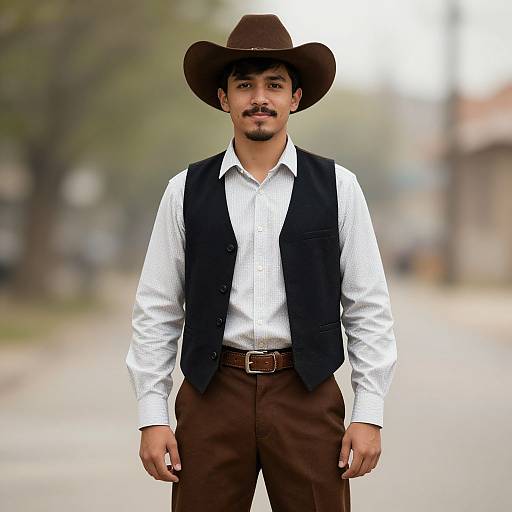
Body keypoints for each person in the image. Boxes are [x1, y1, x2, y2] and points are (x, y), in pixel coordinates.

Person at [126, 13, 398, 512]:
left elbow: (367, 306)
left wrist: (369, 412)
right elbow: (157, 307)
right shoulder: (184, 190)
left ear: (295, 98)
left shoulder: (339, 188)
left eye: (275, 84)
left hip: (307, 395)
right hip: (211, 396)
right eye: (244, 84)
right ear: (223, 98)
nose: (259, 98)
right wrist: (152, 414)